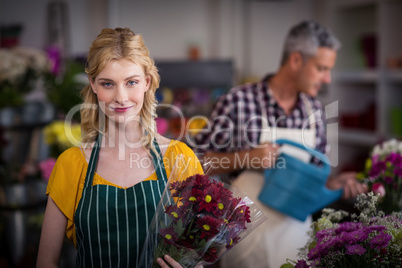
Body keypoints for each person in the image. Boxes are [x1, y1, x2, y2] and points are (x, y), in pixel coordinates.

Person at [193, 20, 368, 267]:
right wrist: (246, 158)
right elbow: (196, 165)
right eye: (321, 68)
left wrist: (333, 184)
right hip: (245, 238)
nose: (327, 79)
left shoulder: (316, 111)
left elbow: (312, 179)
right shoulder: (237, 101)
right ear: (296, 60)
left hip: (296, 238)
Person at [37, 27, 204, 268]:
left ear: (147, 82)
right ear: (93, 85)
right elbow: (45, 263)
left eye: (131, 82)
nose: (121, 97)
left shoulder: (180, 157)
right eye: (108, 84)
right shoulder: (71, 164)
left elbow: (197, 257)